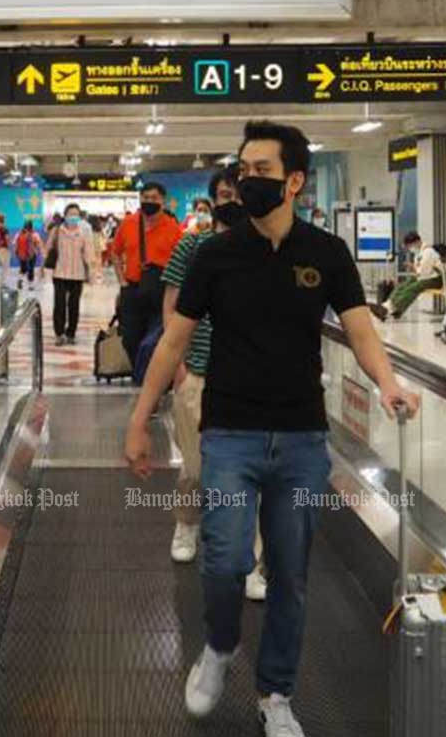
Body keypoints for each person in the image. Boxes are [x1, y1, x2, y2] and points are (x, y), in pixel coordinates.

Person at [125, 120, 418, 737]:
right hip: (229, 431)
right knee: (226, 560)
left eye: (260, 171)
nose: (245, 181)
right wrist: (139, 418)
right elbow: (174, 339)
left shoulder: (325, 253)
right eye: (242, 169)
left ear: (294, 181)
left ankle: (276, 693)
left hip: (302, 438)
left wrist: (388, 383)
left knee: (288, 571)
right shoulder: (215, 254)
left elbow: (360, 328)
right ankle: (220, 645)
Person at [160, 167, 268, 598]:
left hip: (251, 376)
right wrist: (179, 366)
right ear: (211, 201)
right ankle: (187, 523)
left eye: (238, 194)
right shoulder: (193, 244)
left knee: (251, 473)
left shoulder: (267, 248)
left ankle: (251, 563)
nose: (232, 202)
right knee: (199, 467)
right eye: (224, 195)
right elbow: (170, 306)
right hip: (199, 372)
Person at [109, 181, 181, 361]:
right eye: (145, 198)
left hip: (161, 291)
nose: (149, 201)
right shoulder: (128, 223)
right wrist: (122, 282)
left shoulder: (172, 227)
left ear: (162, 201)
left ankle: (151, 377)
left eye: (154, 198)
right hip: (132, 289)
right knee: (130, 337)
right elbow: (115, 253)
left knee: (156, 338)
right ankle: (138, 373)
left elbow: (182, 259)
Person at [44, 203, 96, 345]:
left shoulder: (83, 232)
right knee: (59, 304)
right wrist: (45, 270)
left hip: (77, 274)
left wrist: (91, 273)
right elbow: (48, 249)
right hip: (59, 274)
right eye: (71, 214)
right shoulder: (56, 231)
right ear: (65, 215)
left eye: (76, 215)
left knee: (74, 305)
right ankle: (59, 333)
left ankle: (71, 333)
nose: (73, 217)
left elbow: (88, 253)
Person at [370, 231, 443, 321]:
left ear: (416, 242)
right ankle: (386, 307)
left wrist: (414, 268)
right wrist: (414, 267)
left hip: (435, 279)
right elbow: (421, 270)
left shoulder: (428, 252)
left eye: (409, 246)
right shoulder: (420, 253)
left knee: (412, 288)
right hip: (426, 277)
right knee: (402, 286)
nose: (410, 249)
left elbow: (424, 272)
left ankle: (391, 310)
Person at [14, 220, 40, 291]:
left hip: (22, 253)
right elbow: (38, 244)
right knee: (31, 269)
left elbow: (15, 243)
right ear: (32, 226)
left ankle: (20, 279)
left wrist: (17, 252)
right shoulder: (35, 234)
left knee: (23, 268)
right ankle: (30, 285)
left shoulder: (19, 234)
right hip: (32, 254)